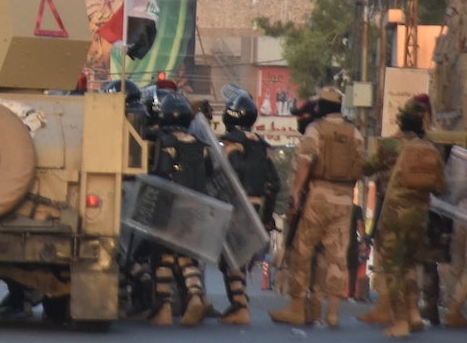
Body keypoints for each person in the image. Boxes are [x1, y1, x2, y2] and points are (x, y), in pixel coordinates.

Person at [272, 87, 365, 329]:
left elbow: (306, 163)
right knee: (336, 256)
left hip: (318, 195)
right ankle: (331, 312)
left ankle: (298, 308)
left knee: (304, 251)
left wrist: (296, 193)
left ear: (321, 106)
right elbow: (359, 166)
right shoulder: (354, 132)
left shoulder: (316, 129)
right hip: (344, 198)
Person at [360, 98, 442, 338]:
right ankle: (414, 314)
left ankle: (400, 321)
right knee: (410, 266)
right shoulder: (431, 150)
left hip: (393, 211)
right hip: (421, 215)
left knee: (393, 268)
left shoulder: (389, 146)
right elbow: (440, 187)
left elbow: (366, 168)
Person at [145, 89, 219, 327]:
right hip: (197, 206)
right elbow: (208, 173)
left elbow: (162, 173)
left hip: (171, 204)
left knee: (163, 256)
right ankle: (196, 295)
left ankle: (164, 308)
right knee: (186, 255)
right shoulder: (201, 144)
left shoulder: (166, 142)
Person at [216, 90, 277, 327]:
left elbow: (231, 176)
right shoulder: (261, 146)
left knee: (231, 258)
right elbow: (274, 183)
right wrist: (267, 217)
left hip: (237, 206)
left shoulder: (233, 144)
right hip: (257, 206)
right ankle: (239, 303)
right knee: (241, 258)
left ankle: (240, 305)